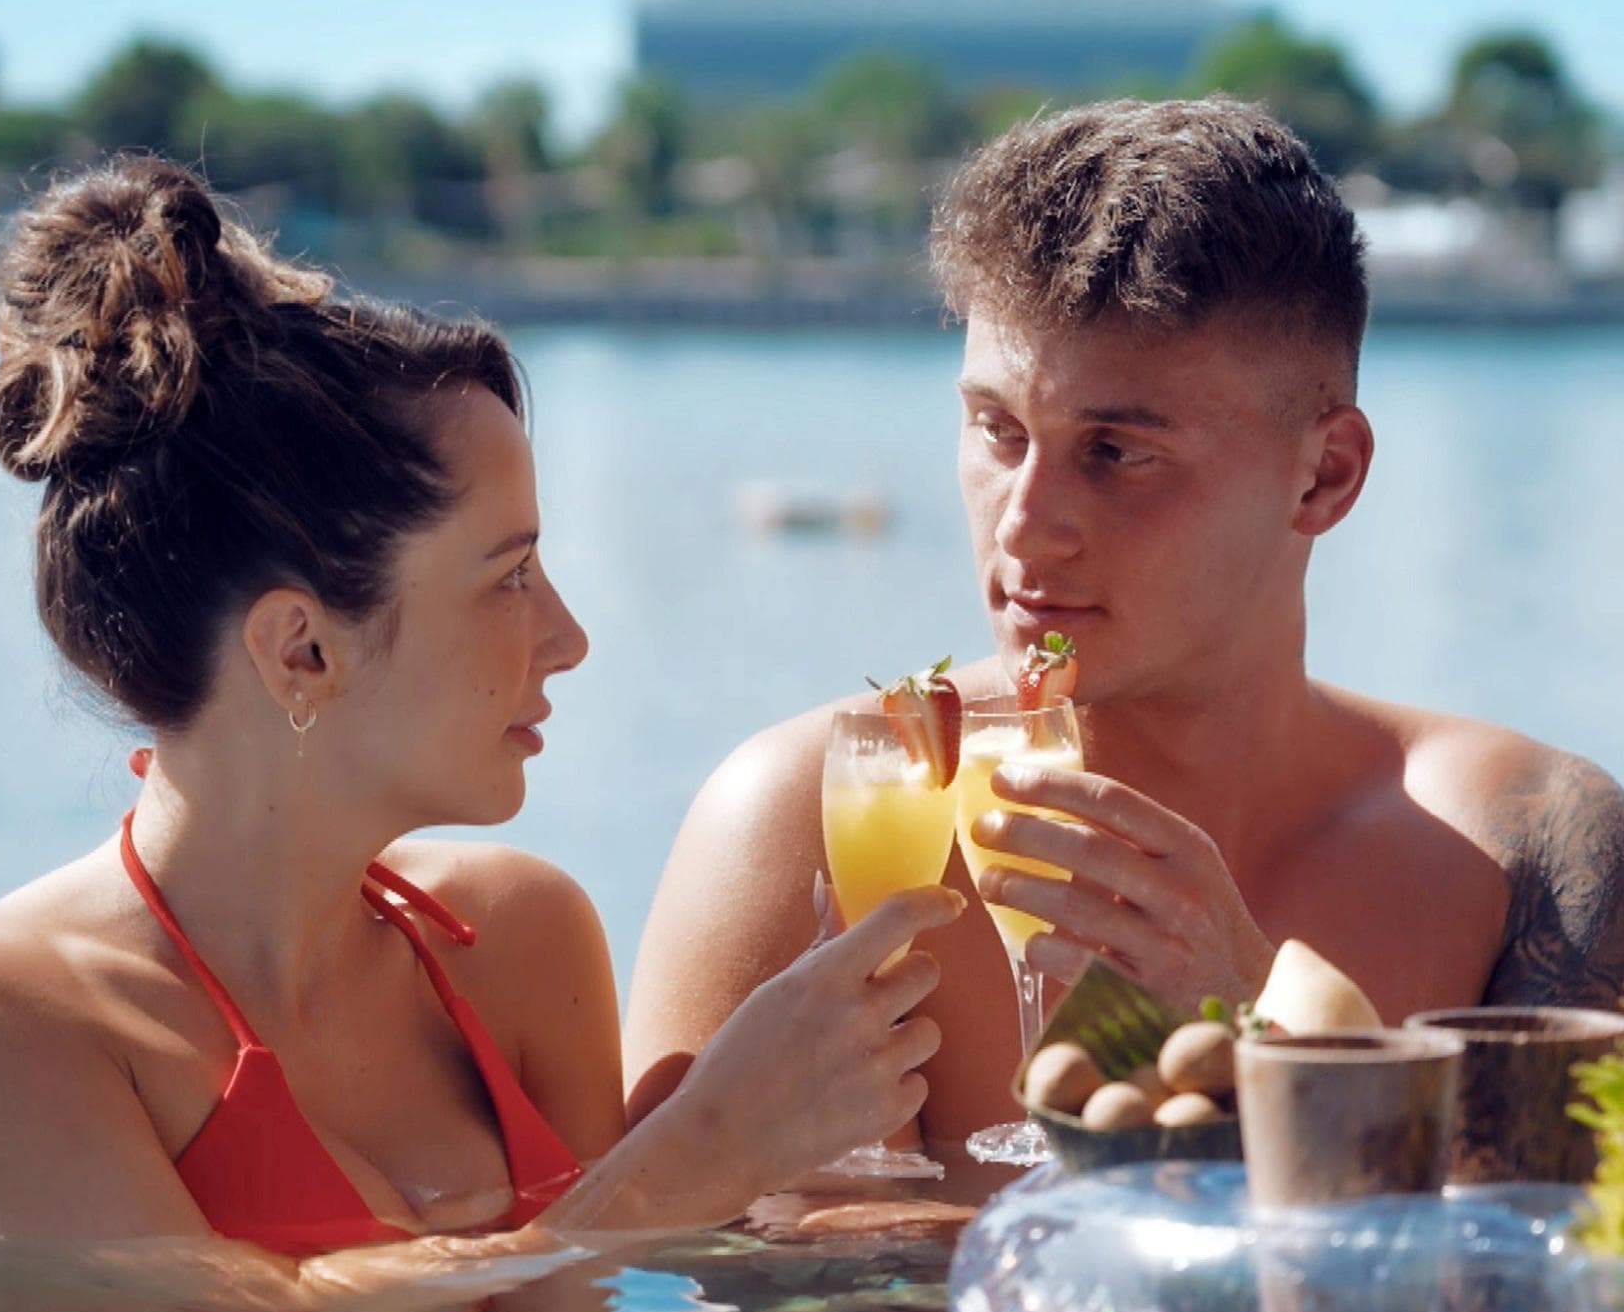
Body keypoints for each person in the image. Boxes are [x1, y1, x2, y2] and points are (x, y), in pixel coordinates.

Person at [0, 156, 960, 1254]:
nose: (569, 639)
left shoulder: (521, 942)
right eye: (510, 576)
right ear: (303, 650)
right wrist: (701, 1150)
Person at [623, 97, 1624, 1150]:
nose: (1024, 526)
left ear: (1324, 476)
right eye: (998, 431)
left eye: (1116, 453)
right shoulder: (806, 823)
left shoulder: (1527, 845)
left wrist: (1268, 1031)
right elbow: (642, 1247)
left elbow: (1572, 1242)